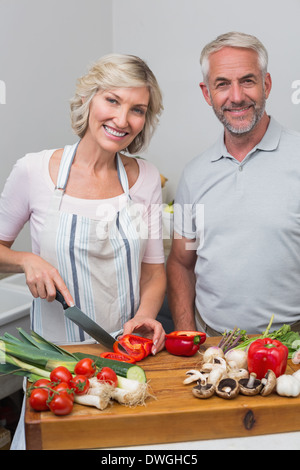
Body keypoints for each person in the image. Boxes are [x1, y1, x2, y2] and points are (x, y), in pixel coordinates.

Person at [0, 53, 166, 354]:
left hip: (124, 353)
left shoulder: (147, 178)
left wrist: (144, 317)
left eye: (137, 110)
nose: (122, 119)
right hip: (53, 361)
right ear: (87, 98)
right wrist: (26, 260)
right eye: (112, 100)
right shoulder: (33, 170)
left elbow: (153, 273)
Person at [167, 31, 300, 336]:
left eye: (248, 81)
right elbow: (181, 262)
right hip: (214, 346)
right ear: (207, 93)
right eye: (223, 84)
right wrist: (188, 333)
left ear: (266, 84)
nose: (237, 96)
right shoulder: (194, 175)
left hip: (293, 346)